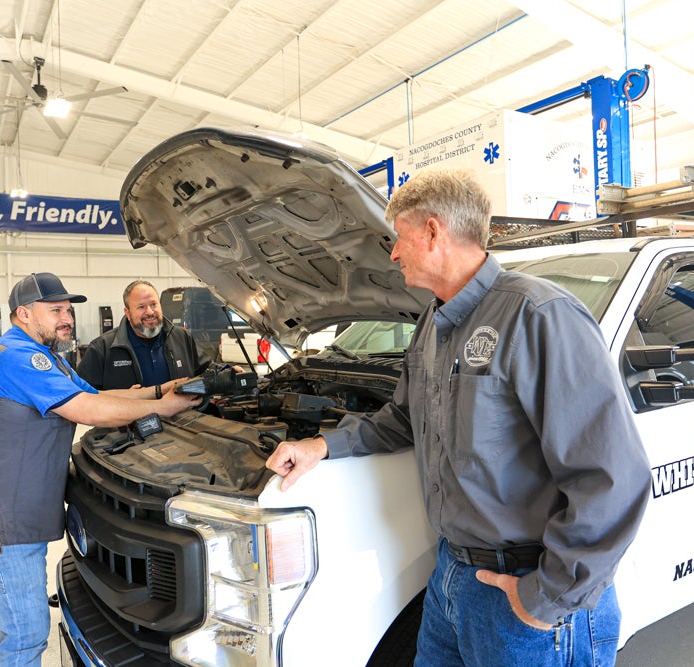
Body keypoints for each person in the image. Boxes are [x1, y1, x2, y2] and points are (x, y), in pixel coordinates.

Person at [265, 169, 651, 666]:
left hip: (525, 590)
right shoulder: (433, 322)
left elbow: (611, 476)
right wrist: (321, 446)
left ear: (432, 231)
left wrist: (548, 597)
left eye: (400, 238)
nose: (393, 254)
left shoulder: (539, 316)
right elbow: (403, 417)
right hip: (451, 577)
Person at [0, 272, 200, 667]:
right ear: (24, 314)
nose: (67, 318)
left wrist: (161, 389)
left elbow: (95, 394)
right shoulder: (18, 358)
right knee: (26, 638)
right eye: (55, 310)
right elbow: (88, 410)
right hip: (1, 530)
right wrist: (163, 408)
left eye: (68, 310)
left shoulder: (46, 359)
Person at [77, 279, 212, 390]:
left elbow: (206, 370)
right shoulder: (102, 349)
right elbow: (84, 397)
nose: (149, 312)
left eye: (153, 304)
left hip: (180, 421)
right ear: (127, 312)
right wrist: (123, 402)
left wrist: (229, 371)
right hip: (127, 422)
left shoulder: (181, 338)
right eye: (141, 307)